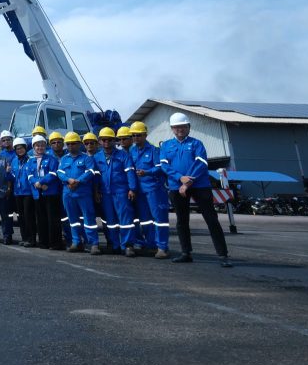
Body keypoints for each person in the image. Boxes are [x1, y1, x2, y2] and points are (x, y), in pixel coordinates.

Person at [160, 112, 232, 267]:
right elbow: (164, 165)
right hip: (176, 186)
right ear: (172, 128)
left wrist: (188, 182)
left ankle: (223, 255)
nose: (180, 129)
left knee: (211, 219)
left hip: (200, 185)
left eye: (183, 126)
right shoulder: (166, 146)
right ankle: (186, 253)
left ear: (188, 127)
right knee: (182, 221)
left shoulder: (197, 144)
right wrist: (180, 178)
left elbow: (201, 163)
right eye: (176, 127)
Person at [95, 127, 138, 257]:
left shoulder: (123, 155)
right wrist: (96, 191)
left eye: (109, 140)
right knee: (110, 221)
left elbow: (130, 172)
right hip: (105, 193)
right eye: (104, 140)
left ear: (114, 141)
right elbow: (95, 177)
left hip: (121, 192)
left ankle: (128, 246)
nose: (106, 142)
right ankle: (114, 245)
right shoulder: (96, 157)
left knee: (125, 220)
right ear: (100, 141)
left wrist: (132, 189)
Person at [129, 121, 170, 258]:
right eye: (133, 135)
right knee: (145, 219)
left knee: (159, 218)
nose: (136, 138)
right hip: (139, 191)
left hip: (154, 189)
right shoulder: (132, 151)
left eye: (138, 135)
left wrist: (147, 172)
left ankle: (162, 247)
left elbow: (160, 167)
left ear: (145, 135)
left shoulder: (154, 150)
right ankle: (151, 245)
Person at [58, 132, 101, 254]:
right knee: (73, 219)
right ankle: (76, 242)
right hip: (68, 193)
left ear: (79, 144)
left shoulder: (86, 158)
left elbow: (90, 171)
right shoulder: (64, 159)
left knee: (89, 218)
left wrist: (78, 181)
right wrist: (68, 180)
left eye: (74, 143)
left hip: (83, 193)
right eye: (69, 144)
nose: (71, 146)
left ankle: (93, 243)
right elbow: (60, 172)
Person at [27, 135, 63, 250]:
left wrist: (41, 182)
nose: (40, 148)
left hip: (50, 193)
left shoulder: (51, 159)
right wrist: (36, 183)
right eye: (37, 146)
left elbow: (53, 174)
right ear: (33, 147)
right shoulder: (31, 161)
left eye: (42, 145)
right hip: (38, 193)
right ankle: (43, 242)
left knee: (52, 219)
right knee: (41, 219)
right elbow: (29, 176)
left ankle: (55, 243)